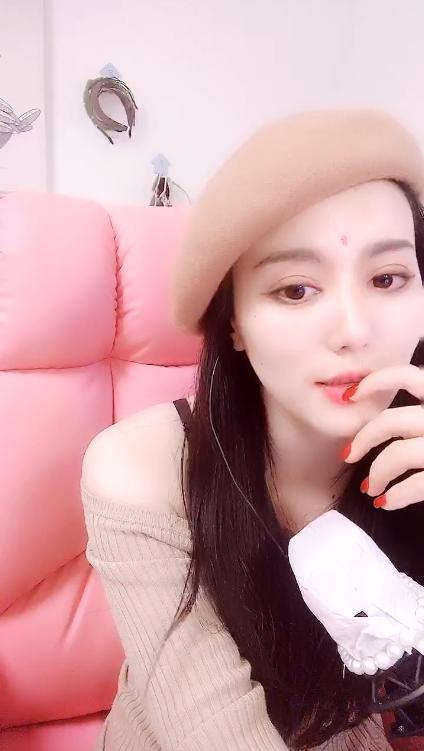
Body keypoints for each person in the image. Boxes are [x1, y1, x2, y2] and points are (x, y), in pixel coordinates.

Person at [81, 109, 424, 750]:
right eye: (295, 290)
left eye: (387, 278)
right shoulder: (141, 468)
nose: (354, 331)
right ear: (234, 323)